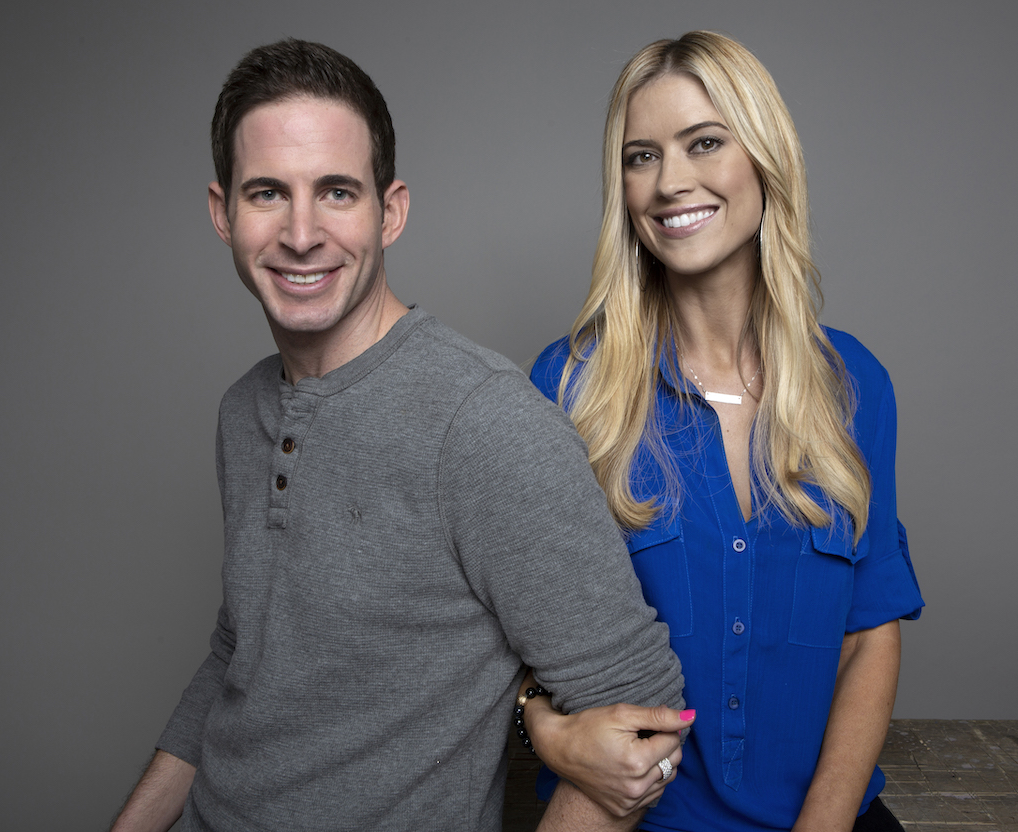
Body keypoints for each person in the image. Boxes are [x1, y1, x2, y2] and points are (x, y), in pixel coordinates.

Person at [109, 38, 687, 832]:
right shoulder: (241, 411)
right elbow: (236, 658)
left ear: (392, 211)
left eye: (337, 192)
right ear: (223, 213)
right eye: (268, 193)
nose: (301, 232)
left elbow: (642, 720)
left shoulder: (484, 424)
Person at [525, 31, 924, 832]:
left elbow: (870, 635)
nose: (671, 182)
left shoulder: (856, 387)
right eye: (641, 157)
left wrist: (825, 822)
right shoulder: (570, 388)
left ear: (765, 161)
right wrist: (551, 732)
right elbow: (514, 630)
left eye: (704, 143)